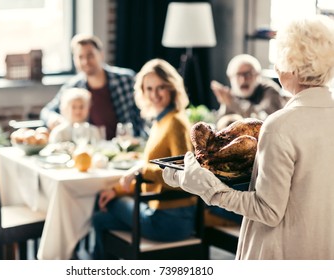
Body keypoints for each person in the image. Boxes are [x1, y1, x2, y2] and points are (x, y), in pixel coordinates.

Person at [162, 15, 334, 259]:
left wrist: (209, 189)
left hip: (280, 255)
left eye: (279, 59)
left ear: (293, 66)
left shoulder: (280, 125)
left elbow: (268, 210)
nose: (275, 68)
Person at [91, 58, 196, 259]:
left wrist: (141, 171)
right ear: (143, 91)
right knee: (100, 220)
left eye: (161, 88)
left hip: (171, 219)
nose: (155, 94)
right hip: (159, 212)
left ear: (172, 88)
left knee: (104, 201)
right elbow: (154, 166)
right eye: (149, 88)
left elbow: (185, 176)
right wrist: (115, 190)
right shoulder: (161, 122)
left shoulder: (175, 123)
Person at [40, 34, 145, 140]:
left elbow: (147, 110)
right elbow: (47, 111)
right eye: (80, 57)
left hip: (128, 145)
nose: (85, 62)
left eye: (90, 55)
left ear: (101, 55)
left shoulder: (126, 79)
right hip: (92, 148)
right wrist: (53, 119)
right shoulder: (73, 87)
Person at [211, 54, 287, 121]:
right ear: (230, 78)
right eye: (238, 75)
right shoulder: (233, 94)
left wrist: (233, 103)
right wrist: (225, 104)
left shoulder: (270, 91)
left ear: (258, 75)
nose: (243, 79)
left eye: (248, 74)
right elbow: (221, 121)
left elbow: (264, 120)